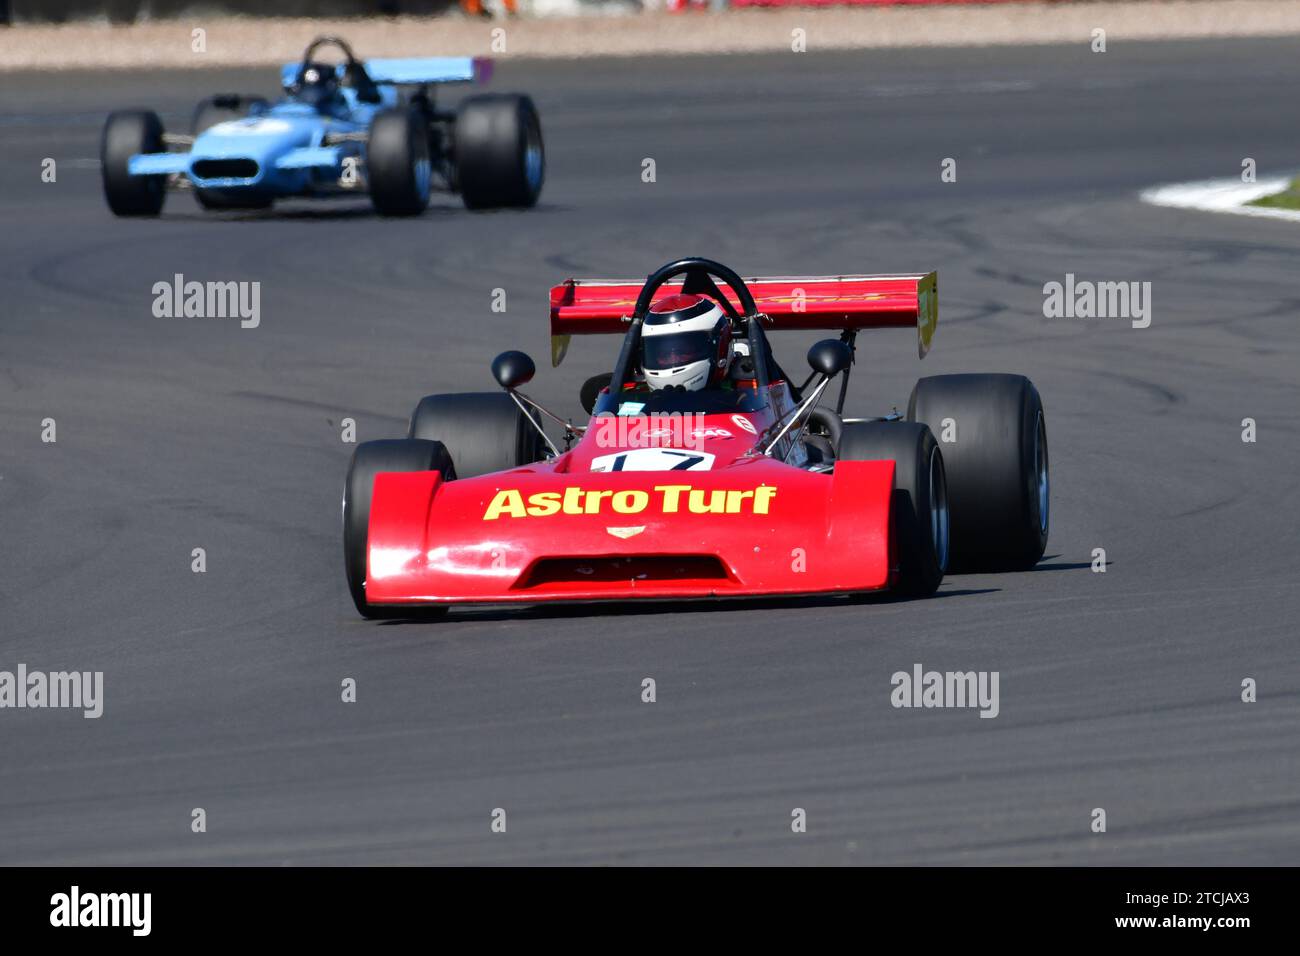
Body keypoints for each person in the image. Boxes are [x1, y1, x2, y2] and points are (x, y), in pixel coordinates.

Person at [639, 293, 733, 392]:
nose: (673, 359)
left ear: (719, 350)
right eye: (664, 355)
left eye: (682, 352)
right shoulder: (635, 398)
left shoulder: (741, 400)